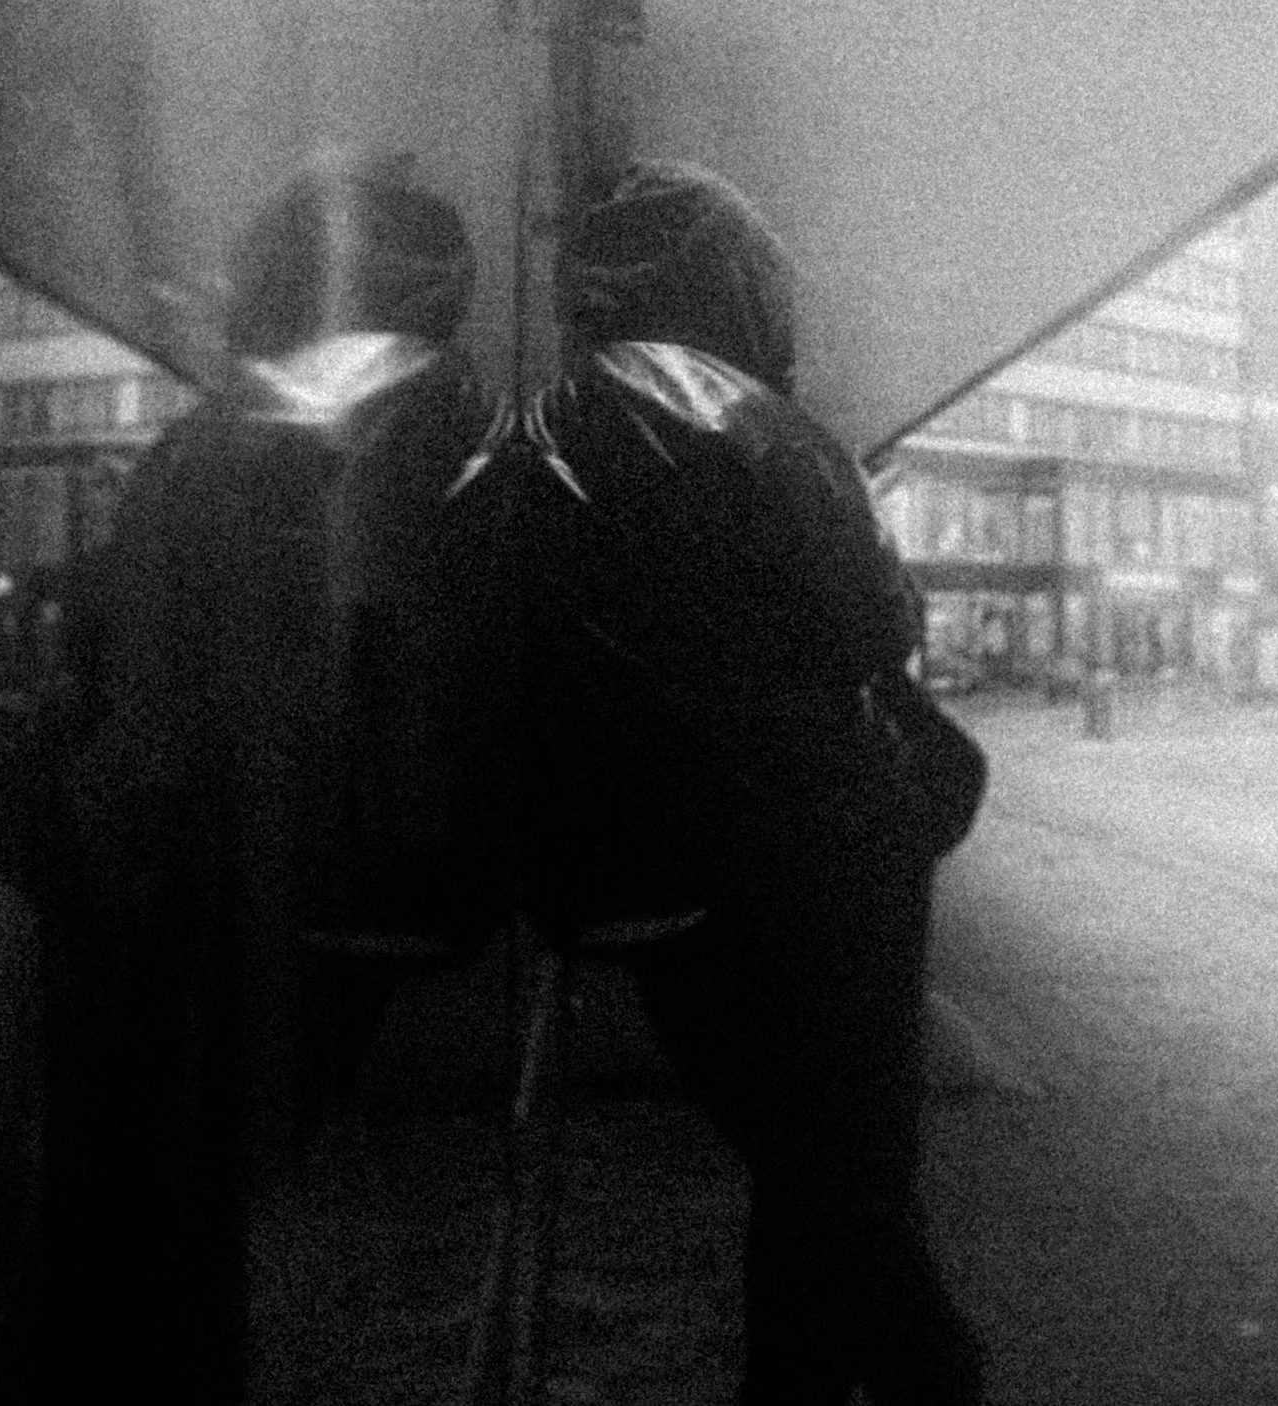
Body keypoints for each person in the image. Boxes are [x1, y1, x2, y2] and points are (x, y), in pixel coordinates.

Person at [4, 157, 507, 1402]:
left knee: (133, 1211)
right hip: (307, 891)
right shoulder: (441, 425)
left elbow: (149, 701)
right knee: (183, 1215)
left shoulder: (230, 444)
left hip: (188, 892)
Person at [518, 158, 986, 1405]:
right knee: (844, 1167)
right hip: (819, 850)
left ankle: (925, 1365)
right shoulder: (755, 422)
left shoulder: (552, 426)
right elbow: (870, 621)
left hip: (651, 877)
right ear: (733, 282)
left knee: (810, 1164)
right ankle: (919, 1371)